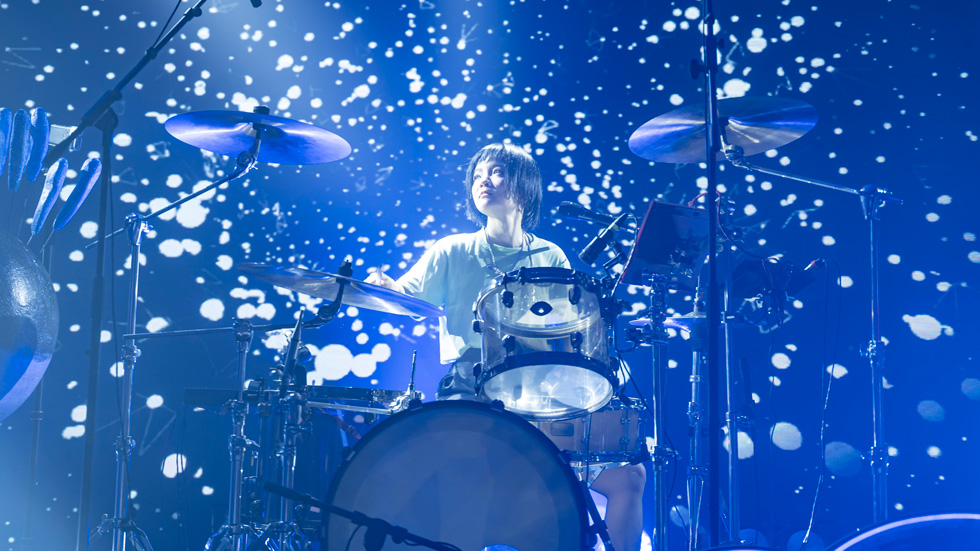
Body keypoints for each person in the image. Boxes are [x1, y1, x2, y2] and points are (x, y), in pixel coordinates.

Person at [367, 142, 645, 551]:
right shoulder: (453, 249)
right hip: (472, 387)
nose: (484, 181)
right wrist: (385, 287)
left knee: (630, 477)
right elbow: (407, 296)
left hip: (544, 392)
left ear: (524, 186)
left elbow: (570, 334)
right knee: (491, 488)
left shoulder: (551, 254)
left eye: (496, 172)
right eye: (478, 175)